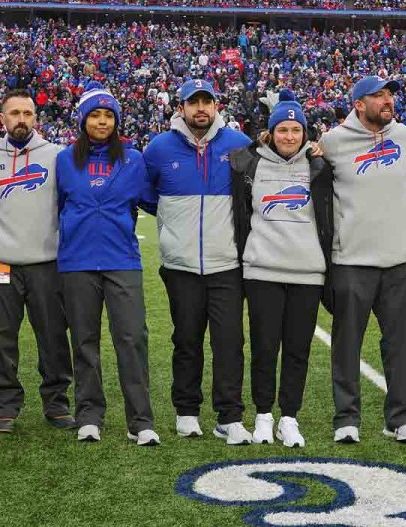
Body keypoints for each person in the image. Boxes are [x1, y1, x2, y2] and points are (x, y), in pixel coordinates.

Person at [142, 79, 252, 444]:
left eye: (207, 101)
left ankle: (229, 416)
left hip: (227, 264)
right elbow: (147, 197)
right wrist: (178, 227)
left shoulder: (238, 144)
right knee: (186, 340)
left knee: (229, 342)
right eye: (194, 102)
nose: (201, 108)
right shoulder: (158, 148)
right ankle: (186, 411)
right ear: (181, 107)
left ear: (216, 106)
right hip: (181, 265)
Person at [230, 90, 334, 448]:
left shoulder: (319, 166)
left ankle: (289, 417)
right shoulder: (251, 163)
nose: (289, 136)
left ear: (305, 134)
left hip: (307, 272)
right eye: (282, 129)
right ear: (270, 133)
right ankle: (262, 415)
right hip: (263, 271)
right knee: (263, 347)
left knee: (297, 349)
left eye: (295, 130)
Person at [320, 75, 406, 444]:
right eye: (378, 95)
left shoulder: (405, 136)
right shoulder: (332, 142)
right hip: (352, 260)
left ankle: (401, 418)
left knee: (401, 343)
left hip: (401, 260)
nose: (387, 100)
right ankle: (347, 417)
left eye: (389, 93)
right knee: (347, 344)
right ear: (359, 104)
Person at [59, 85, 159, 446]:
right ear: (82, 119)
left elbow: (155, 200)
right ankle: (89, 415)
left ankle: (140, 420)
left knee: (132, 338)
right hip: (77, 262)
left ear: (116, 121)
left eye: (108, 115)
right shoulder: (64, 159)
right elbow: (56, 207)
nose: (102, 121)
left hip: (122, 260)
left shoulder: (133, 160)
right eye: (95, 114)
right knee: (84, 341)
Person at [0, 89, 75, 433]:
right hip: (1, 263)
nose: (22, 120)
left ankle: (57, 402)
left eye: (28, 113)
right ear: (2, 118)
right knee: (2, 339)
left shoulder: (56, 155)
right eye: (14, 113)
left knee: (52, 337)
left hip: (46, 263)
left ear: (36, 118)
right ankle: (5, 406)